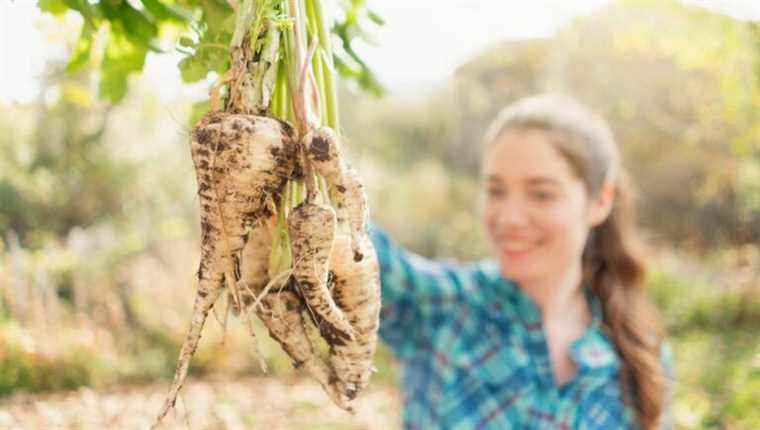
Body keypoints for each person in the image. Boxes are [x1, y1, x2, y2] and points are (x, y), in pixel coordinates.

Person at [368, 94, 674, 429]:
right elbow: (351, 240)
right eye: (496, 191)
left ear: (599, 202)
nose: (510, 218)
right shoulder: (442, 306)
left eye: (542, 194)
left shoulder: (641, 357)